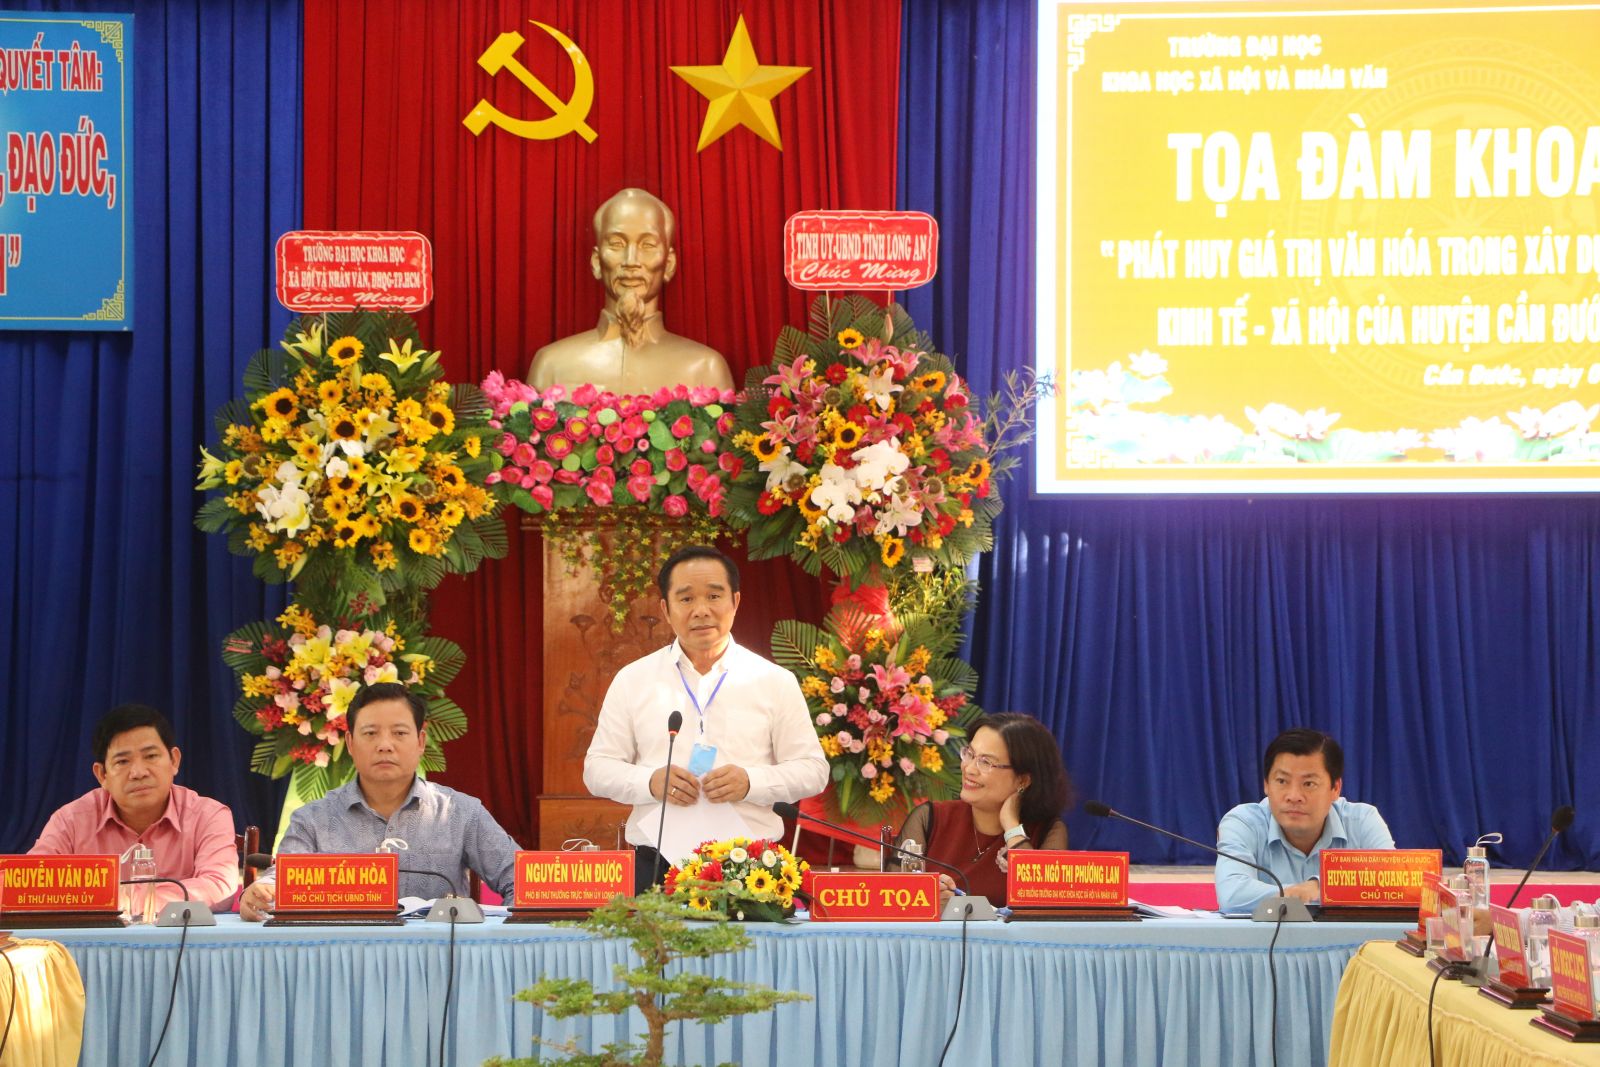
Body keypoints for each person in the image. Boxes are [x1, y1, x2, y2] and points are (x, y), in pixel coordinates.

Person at [585, 544, 829, 894]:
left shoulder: (774, 681)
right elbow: (597, 770)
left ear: (735, 601)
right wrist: (649, 781)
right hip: (655, 868)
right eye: (686, 599)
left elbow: (813, 770)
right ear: (665, 609)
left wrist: (752, 782)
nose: (701, 610)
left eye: (714, 596)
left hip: (752, 867)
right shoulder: (633, 679)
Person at [239, 683, 520, 920]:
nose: (385, 745)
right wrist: (262, 893)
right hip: (343, 955)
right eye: (371, 733)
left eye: (399, 733)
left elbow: (519, 881)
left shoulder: (460, 813)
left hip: (439, 957)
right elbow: (281, 884)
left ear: (421, 742)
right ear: (350, 743)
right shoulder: (313, 819)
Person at [30, 703, 242, 911]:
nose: (139, 772)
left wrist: (119, 899)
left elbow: (219, 886)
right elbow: (28, 885)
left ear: (174, 761)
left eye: (151, 756)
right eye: (122, 762)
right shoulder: (71, 821)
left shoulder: (208, 815)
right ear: (102, 775)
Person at [525, 188, 736, 394]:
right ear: (597, 262)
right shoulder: (551, 366)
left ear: (669, 264)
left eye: (648, 245)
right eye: (616, 244)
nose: (631, 261)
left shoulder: (706, 370)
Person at [892, 713, 1072, 907]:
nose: (969, 769)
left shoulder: (1047, 831)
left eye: (986, 762)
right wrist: (926, 898)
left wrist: (1011, 827)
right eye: (969, 754)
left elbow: (1044, 905)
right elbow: (892, 901)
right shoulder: (929, 819)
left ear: (1023, 780)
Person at [1214, 728, 1394, 913]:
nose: (1294, 796)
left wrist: (1319, 887)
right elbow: (1232, 895)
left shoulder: (1363, 821)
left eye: (1309, 784)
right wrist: (1298, 894)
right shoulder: (1243, 823)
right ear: (1266, 784)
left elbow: (1393, 881)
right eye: (1282, 781)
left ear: (1335, 788)